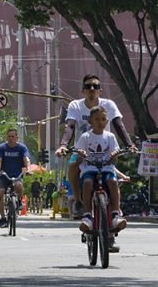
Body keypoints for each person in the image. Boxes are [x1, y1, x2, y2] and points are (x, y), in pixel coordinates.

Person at [55, 75, 138, 219]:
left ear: (100, 90)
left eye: (95, 86)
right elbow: (70, 126)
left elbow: (118, 125)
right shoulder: (75, 105)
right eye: (88, 86)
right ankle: (79, 200)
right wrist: (63, 145)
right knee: (73, 166)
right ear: (83, 91)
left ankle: (115, 211)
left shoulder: (109, 105)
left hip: (106, 152)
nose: (91, 89)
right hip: (82, 151)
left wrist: (130, 145)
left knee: (112, 180)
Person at [76, 106, 126, 233]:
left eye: (103, 119)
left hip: (106, 169)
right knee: (87, 183)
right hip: (90, 169)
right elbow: (79, 159)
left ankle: (115, 215)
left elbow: (115, 156)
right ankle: (87, 216)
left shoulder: (110, 137)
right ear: (90, 121)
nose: (100, 122)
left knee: (113, 182)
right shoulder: (85, 137)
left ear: (107, 121)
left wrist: (115, 154)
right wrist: (81, 154)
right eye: (97, 119)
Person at [0, 128, 30, 228]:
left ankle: (18, 201)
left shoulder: (22, 148)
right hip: (4, 175)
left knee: (19, 186)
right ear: (7, 137)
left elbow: (26, 159)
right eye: (9, 136)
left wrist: (28, 168)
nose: (11, 138)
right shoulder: (2, 147)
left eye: (13, 136)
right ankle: (2, 218)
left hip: (17, 175)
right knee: (0, 193)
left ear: (17, 137)